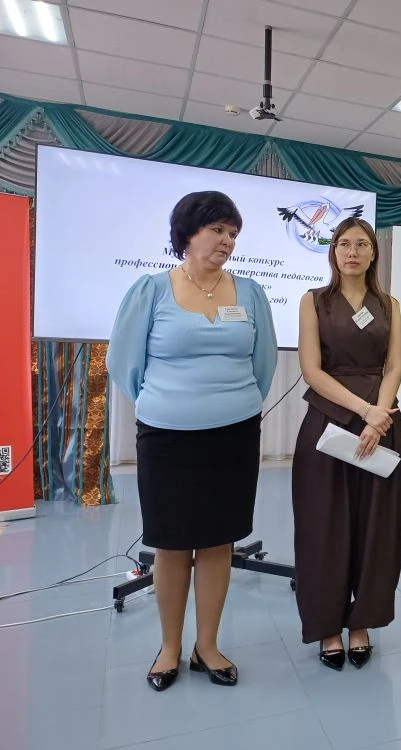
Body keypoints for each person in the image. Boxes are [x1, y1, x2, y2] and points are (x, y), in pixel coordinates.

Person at [107, 191, 277, 691]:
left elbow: (263, 363)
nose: (227, 241)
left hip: (234, 435)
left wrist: (234, 402)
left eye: (233, 233)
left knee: (220, 539)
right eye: (217, 230)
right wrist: (166, 402)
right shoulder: (151, 290)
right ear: (187, 233)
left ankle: (208, 645)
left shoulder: (251, 292)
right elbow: (125, 363)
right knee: (173, 542)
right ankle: (169, 648)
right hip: (167, 437)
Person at [291, 218, 401, 671]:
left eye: (361, 244)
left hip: (383, 422)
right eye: (344, 244)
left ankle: (362, 623)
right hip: (329, 423)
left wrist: (379, 416)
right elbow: (311, 370)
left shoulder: (390, 304)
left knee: (377, 531)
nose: (352, 252)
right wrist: (364, 411)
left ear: (373, 252)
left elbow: (394, 366)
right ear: (333, 251)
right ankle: (327, 626)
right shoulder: (313, 301)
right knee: (325, 528)